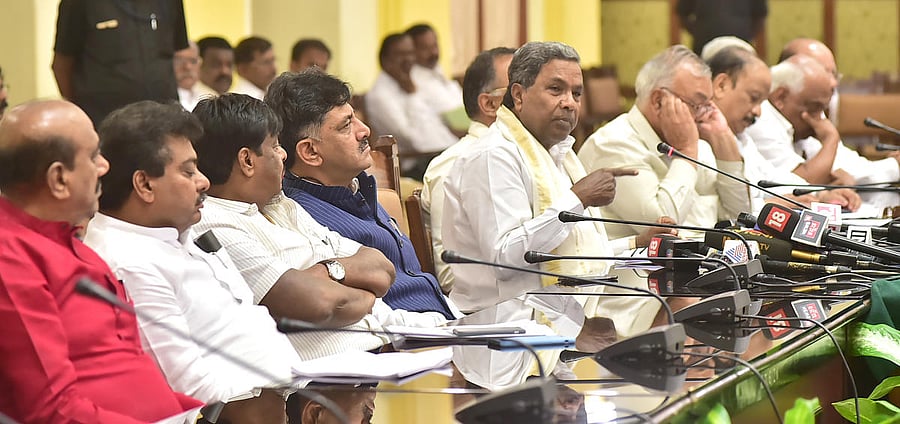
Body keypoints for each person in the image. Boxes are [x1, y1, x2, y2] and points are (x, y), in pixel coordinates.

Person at [84, 100, 304, 422]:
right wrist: (271, 382)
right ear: (144, 184)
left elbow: (244, 314)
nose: (203, 182)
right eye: (188, 171)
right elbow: (192, 389)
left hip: (283, 391)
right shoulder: (130, 263)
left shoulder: (170, 230)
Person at [190, 94, 442, 362]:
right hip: (336, 372)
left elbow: (381, 269)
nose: (283, 154)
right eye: (275, 146)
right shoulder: (214, 223)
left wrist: (324, 274)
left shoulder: (282, 205)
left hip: (400, 338)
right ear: (247, 161)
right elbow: (320, 303)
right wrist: (348, 288)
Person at [0, 99, 202, 422]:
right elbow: (53, 412)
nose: (104, 166)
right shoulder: (11, 261)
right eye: (94, 156)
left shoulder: (74, 242)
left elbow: (124, 362)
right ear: (59, 180)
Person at [268, 69, 456, 320]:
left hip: (444, 323)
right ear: (311, 152)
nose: (365, 130)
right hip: (406, 344)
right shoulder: (303, 219)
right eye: (346, 126)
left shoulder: (355, 188)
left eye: (355, 117)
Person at [579, 45, 750, 238]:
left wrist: (723, 138)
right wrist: (686, 152)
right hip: (638, 266)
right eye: (697, 105)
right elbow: (663, 230)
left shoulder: (698, 144)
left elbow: (739, 219)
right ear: (659, 100)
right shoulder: (612, 146)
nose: (703, 116)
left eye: (707, 105)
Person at [707, 46, 861, 213]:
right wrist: (768, 205)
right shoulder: (698, 134)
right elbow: (712, 210)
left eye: (761, 102)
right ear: (721, 85)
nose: (758, 112)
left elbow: (771, 178)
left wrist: (821, 194)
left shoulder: (741, 136)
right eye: (753, 98)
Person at [420, 47, 515, 293]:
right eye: (518, 89)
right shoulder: (454, 167)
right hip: (496, 310)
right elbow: (453, 277)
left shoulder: (543, 156)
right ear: (490, 103)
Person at [779, 39, 900, 202]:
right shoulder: (762, 119)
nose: (833, 83)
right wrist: (894, 166)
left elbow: (846, 168)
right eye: (823, 72)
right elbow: (797, 184)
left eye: (834, 74)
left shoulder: (810, 112)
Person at [52, 0, 189, 126]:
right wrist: (82, 113)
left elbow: (177, 53)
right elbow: (62, 65)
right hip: (104, 122)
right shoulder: (78, 3)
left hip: (164, 119)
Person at [365, 33, 458, 179]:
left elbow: (436, 125)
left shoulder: (409, 82)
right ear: (385, 60)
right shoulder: (380, 95)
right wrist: (412, 94)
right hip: (416, 164)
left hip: (438, 155)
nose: (408, 59)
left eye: (410, 53)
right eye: (401, 54)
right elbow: (412, 139)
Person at [743, 54, 843, 186]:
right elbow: (799, 185)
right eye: (814, 107)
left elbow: (836, 174)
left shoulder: (800, 127)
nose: (820, 118)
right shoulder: (760, 121)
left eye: (823, 109)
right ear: (781, 97)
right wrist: (831, 139)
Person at [405, 23, 465, 116]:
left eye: (435, 45)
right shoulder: (414, 81)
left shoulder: (434, 68)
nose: (434, 52)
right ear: (411, 51)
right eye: (425, 48)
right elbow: (450, 113)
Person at [676, 0, 768, 55]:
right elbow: (682, 13)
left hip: (740, 48)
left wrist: (747, 34)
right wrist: (698, 32)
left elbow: (760, 15)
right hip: (704, 48)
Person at [174, 41, 205, 111]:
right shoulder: (160, 100)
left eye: (193, 61)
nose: (188, 67)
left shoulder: (207, 96)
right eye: (179, 61)